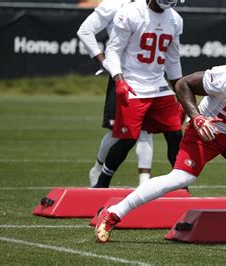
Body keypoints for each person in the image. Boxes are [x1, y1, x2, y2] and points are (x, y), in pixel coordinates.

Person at [95, 32, 226, 243]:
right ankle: (112, 213)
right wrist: (197, 117)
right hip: (208, 129)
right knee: (181, 178)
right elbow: (183, 84)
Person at [77, 0, 184, 187]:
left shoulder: (175, 19)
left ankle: (182, 186)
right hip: (133, 84)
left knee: (175, 135)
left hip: (159, 85)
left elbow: (173, 61)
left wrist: (181, 94)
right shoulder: (130, 12)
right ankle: (102, 182)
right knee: (127, 139)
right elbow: (113, 51)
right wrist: (119, 80)